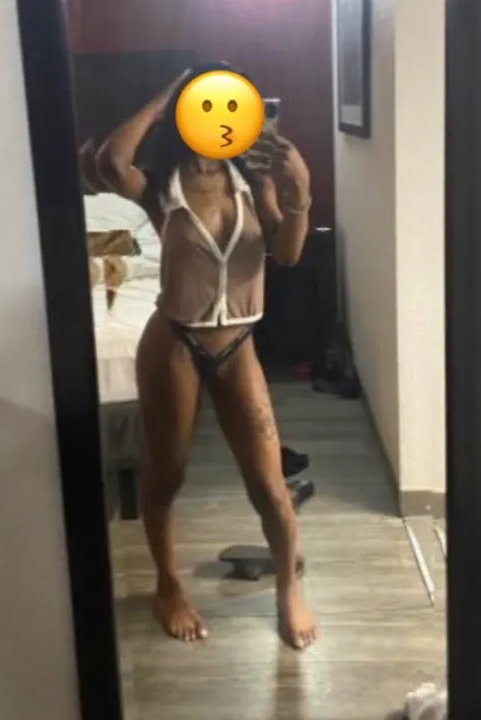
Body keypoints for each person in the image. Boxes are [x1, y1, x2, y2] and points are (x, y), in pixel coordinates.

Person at [93, 62, 317, 649]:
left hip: (239, 343)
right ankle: (168, 586)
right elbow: (112, 161)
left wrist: (300, 193)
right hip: (174, 341)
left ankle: (289, 589)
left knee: (269, 484)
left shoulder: (253, 183)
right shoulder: (161, 188)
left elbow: (288, 255)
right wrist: (169, 92)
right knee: (166, 473)